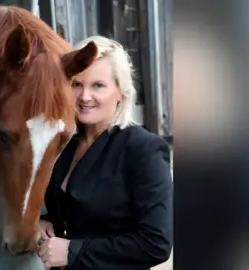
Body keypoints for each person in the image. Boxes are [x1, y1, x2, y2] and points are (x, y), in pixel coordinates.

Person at [36, 36, 173, 270]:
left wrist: (72, 251)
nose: (84, 96)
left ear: (121, 92)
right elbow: (75, 212)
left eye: (98, 85)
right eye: (77, 84)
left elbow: (155, 243)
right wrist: (47, 222)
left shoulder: (143, 149)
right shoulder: (65, 143)